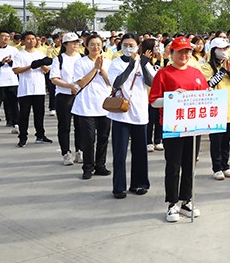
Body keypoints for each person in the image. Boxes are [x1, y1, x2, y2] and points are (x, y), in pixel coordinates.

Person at [149, 36, 211, 222]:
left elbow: (206, 95)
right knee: (174, 165)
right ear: (172, 53)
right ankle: (172, 203)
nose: (184, 55)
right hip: (173, 127)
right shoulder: (163, 74)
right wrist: (171, 98)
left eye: (187, 51)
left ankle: (186, 200)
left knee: (190, 164)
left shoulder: (196, 73)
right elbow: (154, 101)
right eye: (180, 52)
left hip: (193, 126)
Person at [108, 34, 155, 199]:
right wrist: (131, 66)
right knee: (120, 153)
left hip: (139, 113)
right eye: (125, 45)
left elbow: (151, 82)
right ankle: (119, 187)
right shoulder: (116, 63)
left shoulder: (143, 62)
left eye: (131, 45)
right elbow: (116, 82)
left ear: (138, 46)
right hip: (121, 114)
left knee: (140, 151)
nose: (128, 48)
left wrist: (143, 64)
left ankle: (139, 183)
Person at [201, 36, 230, 180]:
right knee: (216, 141)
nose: (225, 51)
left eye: (226, 48)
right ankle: (217, 167)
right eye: (221, 48)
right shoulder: (207, 67)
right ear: (214, 50)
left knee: (226, 141)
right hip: (216, 110)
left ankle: (226, 165)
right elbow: (209, 84)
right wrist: (223, 71)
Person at [72, 33, 112, 180]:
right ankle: (88, 167)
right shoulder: (80, 62)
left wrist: (102, 69)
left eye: (98, 44)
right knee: (88, 139)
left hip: (105, 106)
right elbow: (81, 83)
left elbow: (111, 82)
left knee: (103, 137)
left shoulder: (108, 62)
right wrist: (95, 68)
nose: (96, 47)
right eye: (92, 44)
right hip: (86, 106)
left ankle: (100, 165)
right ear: (86, 46)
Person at [11, 31, 53, 147]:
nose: (31, 41)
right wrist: (31, 66)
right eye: (28, 39)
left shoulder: (40, 54)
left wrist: (41, 64)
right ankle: (23, 137)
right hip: (25, 89)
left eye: (33, 39)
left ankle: (40, 135)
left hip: (39, 88)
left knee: (39, 114)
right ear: (23, 41)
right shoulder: (19, 55)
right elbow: (16, 70)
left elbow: (47, 70)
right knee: (24, 115)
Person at [50, 32, 84, 165]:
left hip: (80, 95)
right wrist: (70, 86)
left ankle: (79, 151)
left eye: (77, 42)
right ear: (65, 44)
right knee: (64, 126)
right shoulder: (59, 59)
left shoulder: (82, 58)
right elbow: (54, 79)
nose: (76, 45)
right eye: (73, 42)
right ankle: (66, 153)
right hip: (64, 96)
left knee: (80, 125)